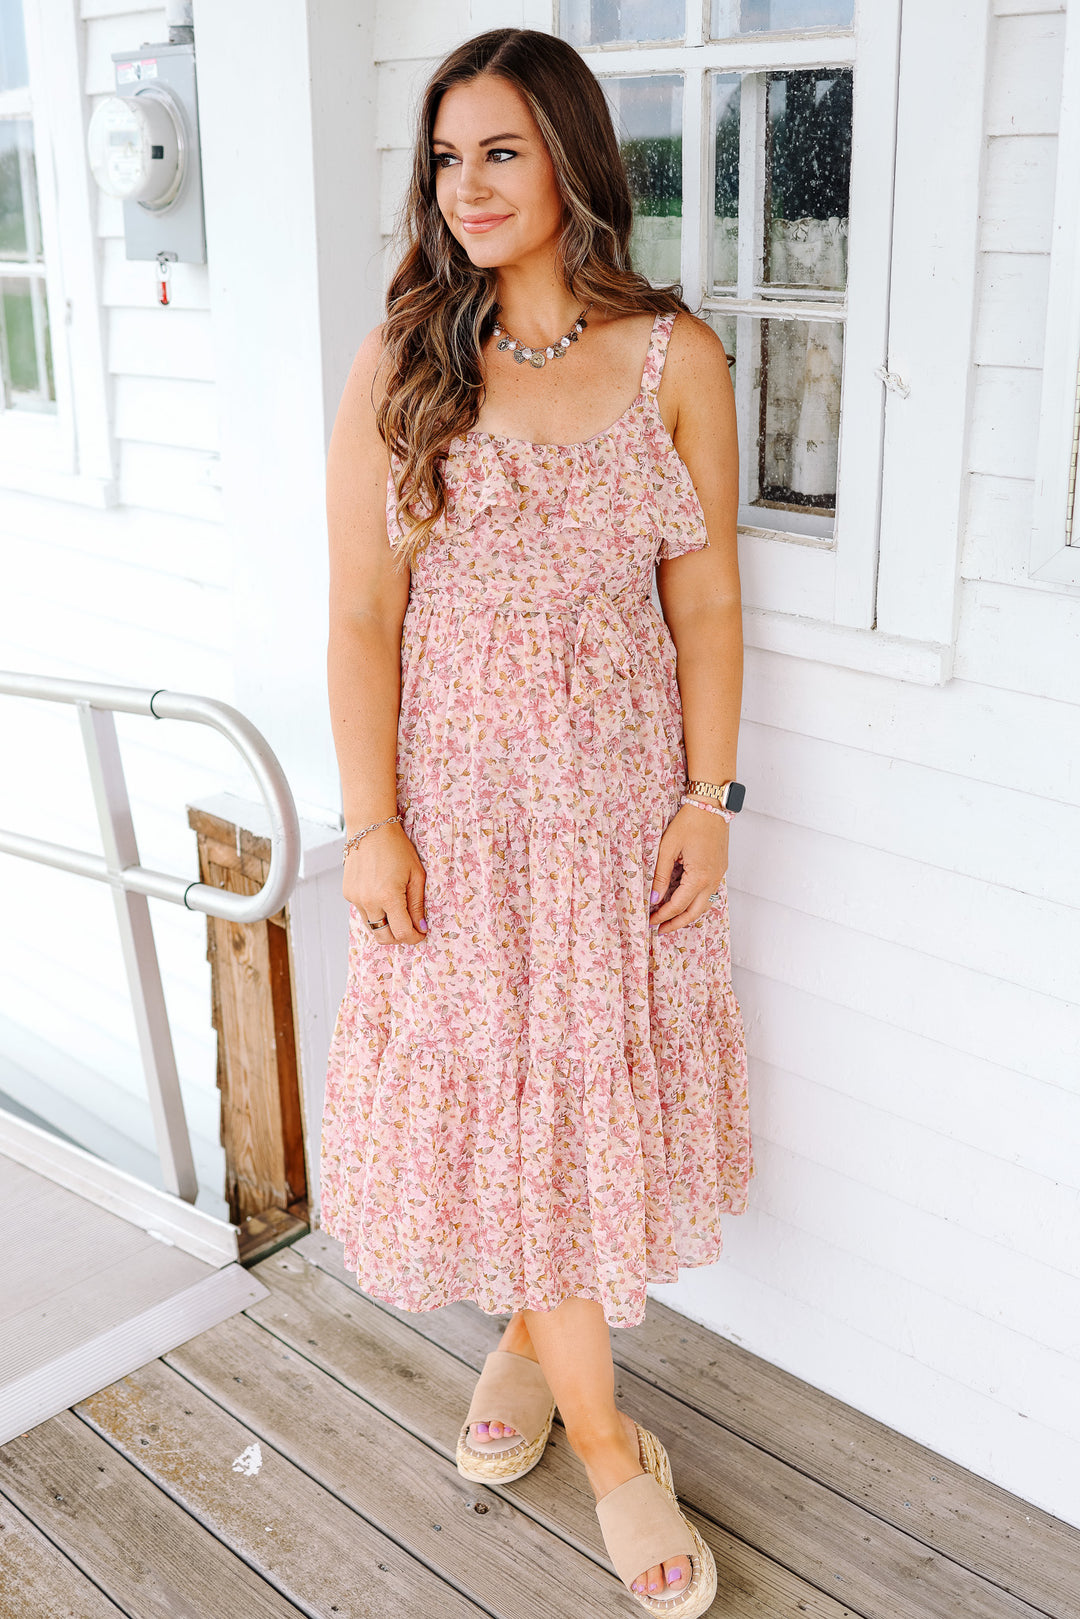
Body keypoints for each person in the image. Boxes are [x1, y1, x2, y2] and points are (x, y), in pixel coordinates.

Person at [319, 26, 753, 1615]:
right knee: (507, 1094)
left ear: (571, 156)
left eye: (501, 150)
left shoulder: (674, 358)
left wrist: (711, 797)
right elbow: (361, 617)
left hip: (616, 816)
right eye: (448, 157)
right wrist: (370, 824)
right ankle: (612, 1447)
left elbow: (706, 603)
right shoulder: (405, 359)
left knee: (568, 1105)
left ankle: (526, 1330)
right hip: (460, 820)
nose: (470, 185)